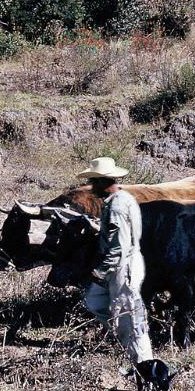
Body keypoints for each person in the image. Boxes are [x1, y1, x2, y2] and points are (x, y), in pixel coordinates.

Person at [76, 157, 155, 366]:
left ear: (103, 182)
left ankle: (144, 364)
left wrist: (101, 271)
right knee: (97, 302)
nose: (92, 187)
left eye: (94, 182)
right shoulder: (123, 199)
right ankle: (124, 345)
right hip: (125, 262)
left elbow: (118, 246)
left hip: (122, 266)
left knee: (130, 314)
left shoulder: (116, 206)